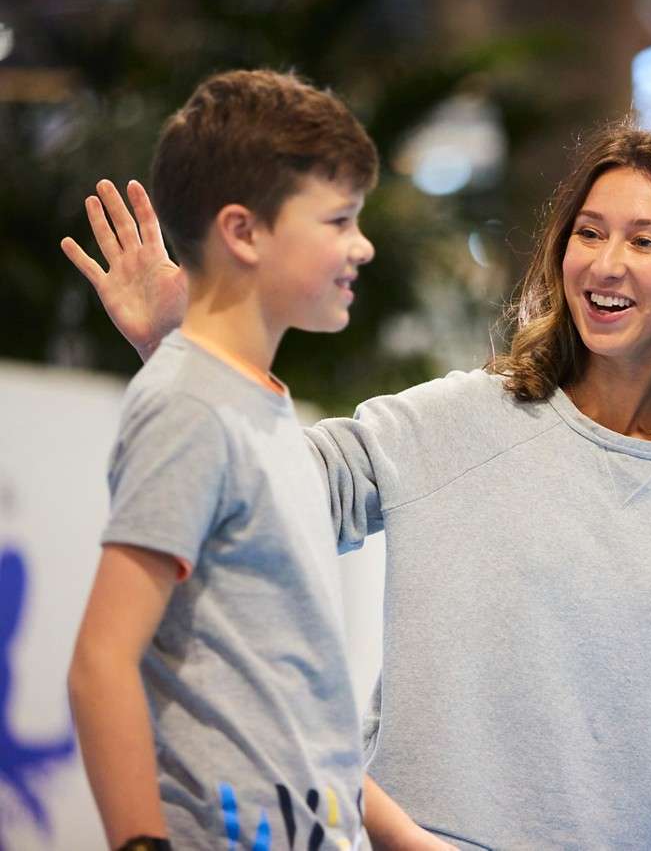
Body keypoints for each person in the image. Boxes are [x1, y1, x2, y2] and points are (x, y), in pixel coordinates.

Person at [65, 123, 651, 848]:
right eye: (588, 232)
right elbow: (279, 492)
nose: (605, 263)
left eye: (644, 240)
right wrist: (191, 349)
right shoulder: (463, 420)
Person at [62, 69, 453, 851]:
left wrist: (410, 840)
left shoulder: (256, 409)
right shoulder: (190, 406)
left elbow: (294, 705)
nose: (362, 245)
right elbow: (100, 662)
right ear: (243, 232)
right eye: (339, 220)